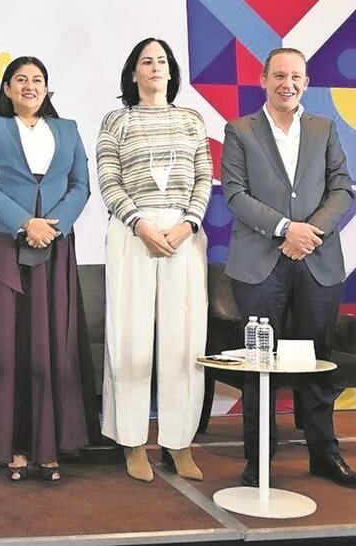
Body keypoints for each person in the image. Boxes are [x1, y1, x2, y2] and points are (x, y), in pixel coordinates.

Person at [221, 47, 356, 490]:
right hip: (259, 265)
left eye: (297, 77)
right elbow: (234, 193)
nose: (288, 84)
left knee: (319, 362)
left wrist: (309, 233)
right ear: (263, 79)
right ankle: (259, 462)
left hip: (318, 260)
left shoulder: (325, 128)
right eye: (279, 75)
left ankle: (325, 455)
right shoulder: (239, 130)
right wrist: (286, 229)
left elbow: (342, 188)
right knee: (260, 364)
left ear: (306, 82)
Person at [0, 56, 96, 482]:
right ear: (7, 88)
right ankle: (14, 446)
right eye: (21, 80)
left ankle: (50, 446)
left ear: (47, 89)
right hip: (4, 242)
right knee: (7, 345)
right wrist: (25, 223)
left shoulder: (68, 129)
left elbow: (81, 185)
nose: (30, 86)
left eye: (37, 80)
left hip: (54, 247)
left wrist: (52, 227)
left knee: (51, 343)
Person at [97, 37, 211, 483]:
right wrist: (140, 225)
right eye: (147, 61)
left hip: (183, 234)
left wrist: (186, 226)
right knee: (129, 338)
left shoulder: (191, 120)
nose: (156, 67)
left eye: (162, 61)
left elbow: (205, 177)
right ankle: (132, 442)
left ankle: (179, 443)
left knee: (184, 342)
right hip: (132, 234)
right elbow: (108, 180)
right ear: (133, 73)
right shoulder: (116, 121)